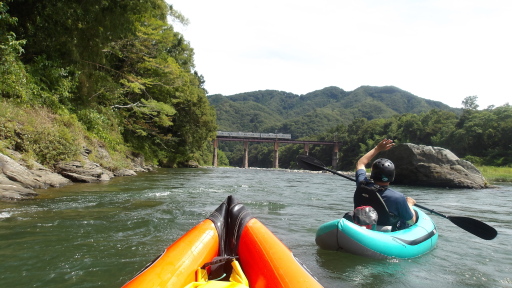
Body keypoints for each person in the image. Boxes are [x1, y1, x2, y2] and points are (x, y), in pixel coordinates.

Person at [354, 139, 416, 230]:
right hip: (387, 233)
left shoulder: (362, 185)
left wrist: (377, 148)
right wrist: (409, 204)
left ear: (373, 174)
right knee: (406, 219)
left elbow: (360, 163)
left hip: (364, 228)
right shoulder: (398, 197)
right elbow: (411, 221)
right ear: (392, 176)